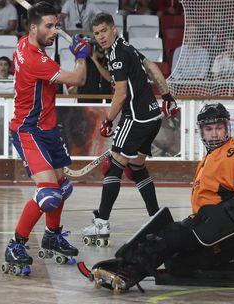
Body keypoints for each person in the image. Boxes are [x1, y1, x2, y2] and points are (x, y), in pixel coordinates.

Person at [82, 103, 234, 290]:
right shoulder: (210, 156)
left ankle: (126, 272)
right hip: (208, 231)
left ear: (227, 127)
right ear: (202, 132)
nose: (215, 133)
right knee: (175, 264)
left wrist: (223, 212)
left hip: (222, 233)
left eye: (219, 127)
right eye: (209, 129)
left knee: (167, 237)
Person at [3, 1, 91, 275]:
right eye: (49, 26)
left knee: (63, 188)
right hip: (29, 130)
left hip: (48, 129)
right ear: (33, 28)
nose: (54, 31)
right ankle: (16, 244)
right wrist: (81, 55)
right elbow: (78, 79)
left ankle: (52, 234)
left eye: (56, 26)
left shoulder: (26, 43)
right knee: (50, 194)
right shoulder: (34, 59)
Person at [81, 13, 179, 246]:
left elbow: (121, 93)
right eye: (96, 33)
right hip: (152, 116)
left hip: (136, 117)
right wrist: (166, 95)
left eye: (104, 31)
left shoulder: (116, 54)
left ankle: (101, 223)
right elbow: (152, 67)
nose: (101, 36)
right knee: (136, 168)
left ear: (113, 29)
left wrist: (107, 120)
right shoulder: (128, 47)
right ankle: (157, 218)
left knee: (112, 167)